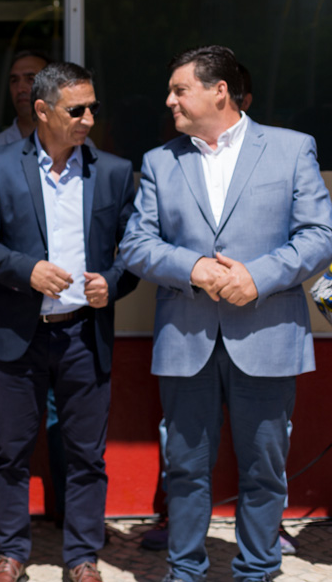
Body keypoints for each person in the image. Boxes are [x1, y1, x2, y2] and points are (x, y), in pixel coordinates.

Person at [119, 45, 332, 582]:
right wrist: (195, 268)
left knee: (265, 469)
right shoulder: (160, 162)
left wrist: (254, 278)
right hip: (186, 340)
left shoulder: (290, 149)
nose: (169, 100)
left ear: (219, 91)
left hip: (267, 335)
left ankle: (256, 571)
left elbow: (320, 235)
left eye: (179, 89)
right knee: (184, 469)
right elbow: (136, 245)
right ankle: (185, 571)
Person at [0, 63, 138, 582]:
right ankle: (12, 552)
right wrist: (27, 270)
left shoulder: (111, 171)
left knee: (87, 454)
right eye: (76, 109)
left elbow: (133, 250)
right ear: (42, 111)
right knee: (10, 449)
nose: (87, 118)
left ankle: (81, 557)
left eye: (93, 109)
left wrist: (114, 280)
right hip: (20, 331)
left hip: (85, 332)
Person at [0, 50, 51, 190]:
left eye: (30, 79)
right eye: (14, 80)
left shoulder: (76, 147)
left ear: (52, 86)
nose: (20, 88)